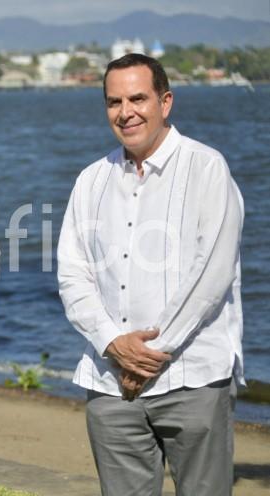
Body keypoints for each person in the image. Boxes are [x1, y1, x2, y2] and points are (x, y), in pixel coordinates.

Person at [57, 53, 244, 496]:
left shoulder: (207, 168)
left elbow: (210, 276)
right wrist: (110, 342)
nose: (126, 112)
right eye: (114, 102)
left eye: (138, 98)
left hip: (193, 378)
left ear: (166, 102)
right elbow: (72, 274)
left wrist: (147, 356)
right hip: (110, 383)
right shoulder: (90, 180)